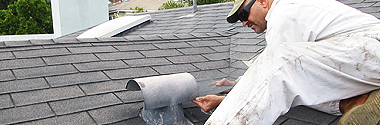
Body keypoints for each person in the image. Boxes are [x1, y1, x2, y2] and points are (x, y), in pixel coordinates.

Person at [192, 0, 380, 124]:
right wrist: (236, 85)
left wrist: (225, 103)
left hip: (369, 48)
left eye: (244, 14)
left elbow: (270, 76)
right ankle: (357, 99)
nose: (243, 23)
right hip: (361, 53)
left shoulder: (283, 14)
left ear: (263, 1)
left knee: (283, 68)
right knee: (299, 82)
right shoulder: (292, 6)